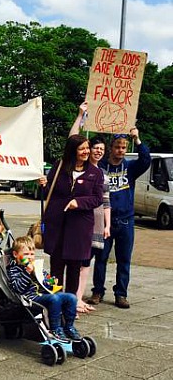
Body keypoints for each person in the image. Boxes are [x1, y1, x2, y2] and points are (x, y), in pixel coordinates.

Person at [88, 128, 151, 309]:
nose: (120, 150)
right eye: (117, 147)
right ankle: (97, 291)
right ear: (111, 148)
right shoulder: (101, 167)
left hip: (126, 221)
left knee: (124, 260)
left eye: (124, 147)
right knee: (101, 258)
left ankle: (121, 294)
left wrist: (137, 139)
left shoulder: (130, 167)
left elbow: (146, 160)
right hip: (105, 221)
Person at [41, 134, 104, 295]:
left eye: (87, 147)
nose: (86, 151)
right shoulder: (59, 166)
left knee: (74, 269)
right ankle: (55, 304)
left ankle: (70, 305)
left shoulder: (95, 173)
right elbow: (50, 192)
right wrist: (43, 185)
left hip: (80, 227)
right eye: (81, 148)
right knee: (56, 268)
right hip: (57, 225)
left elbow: (97, 199)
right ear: (72, 150)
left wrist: (79, 203)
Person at [68, 102, 111, 314]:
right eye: (95, 148)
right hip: (79, 220)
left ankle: (78, 298)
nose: (97, 152)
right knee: (75, 261)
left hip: (96, 224)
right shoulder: (79, 167)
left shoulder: (101, 173)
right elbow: (72, 139)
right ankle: (71, 299)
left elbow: (105, 200)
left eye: (102, 150)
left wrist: (107, 224)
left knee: (86, 263)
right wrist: (80, 115)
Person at [6, 236, 81, 342]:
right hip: (30, 298)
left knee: (71, 297)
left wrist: (51, 281)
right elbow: (18, 288)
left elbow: (45, 279)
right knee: (54, 299)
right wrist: (27, 273)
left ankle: (69, 326)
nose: (30, 257)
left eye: (32, 254)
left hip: (44, 293)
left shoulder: (36, 266)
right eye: (26, 254)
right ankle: (55, 329)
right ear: (15, 255)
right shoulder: (14, 270)